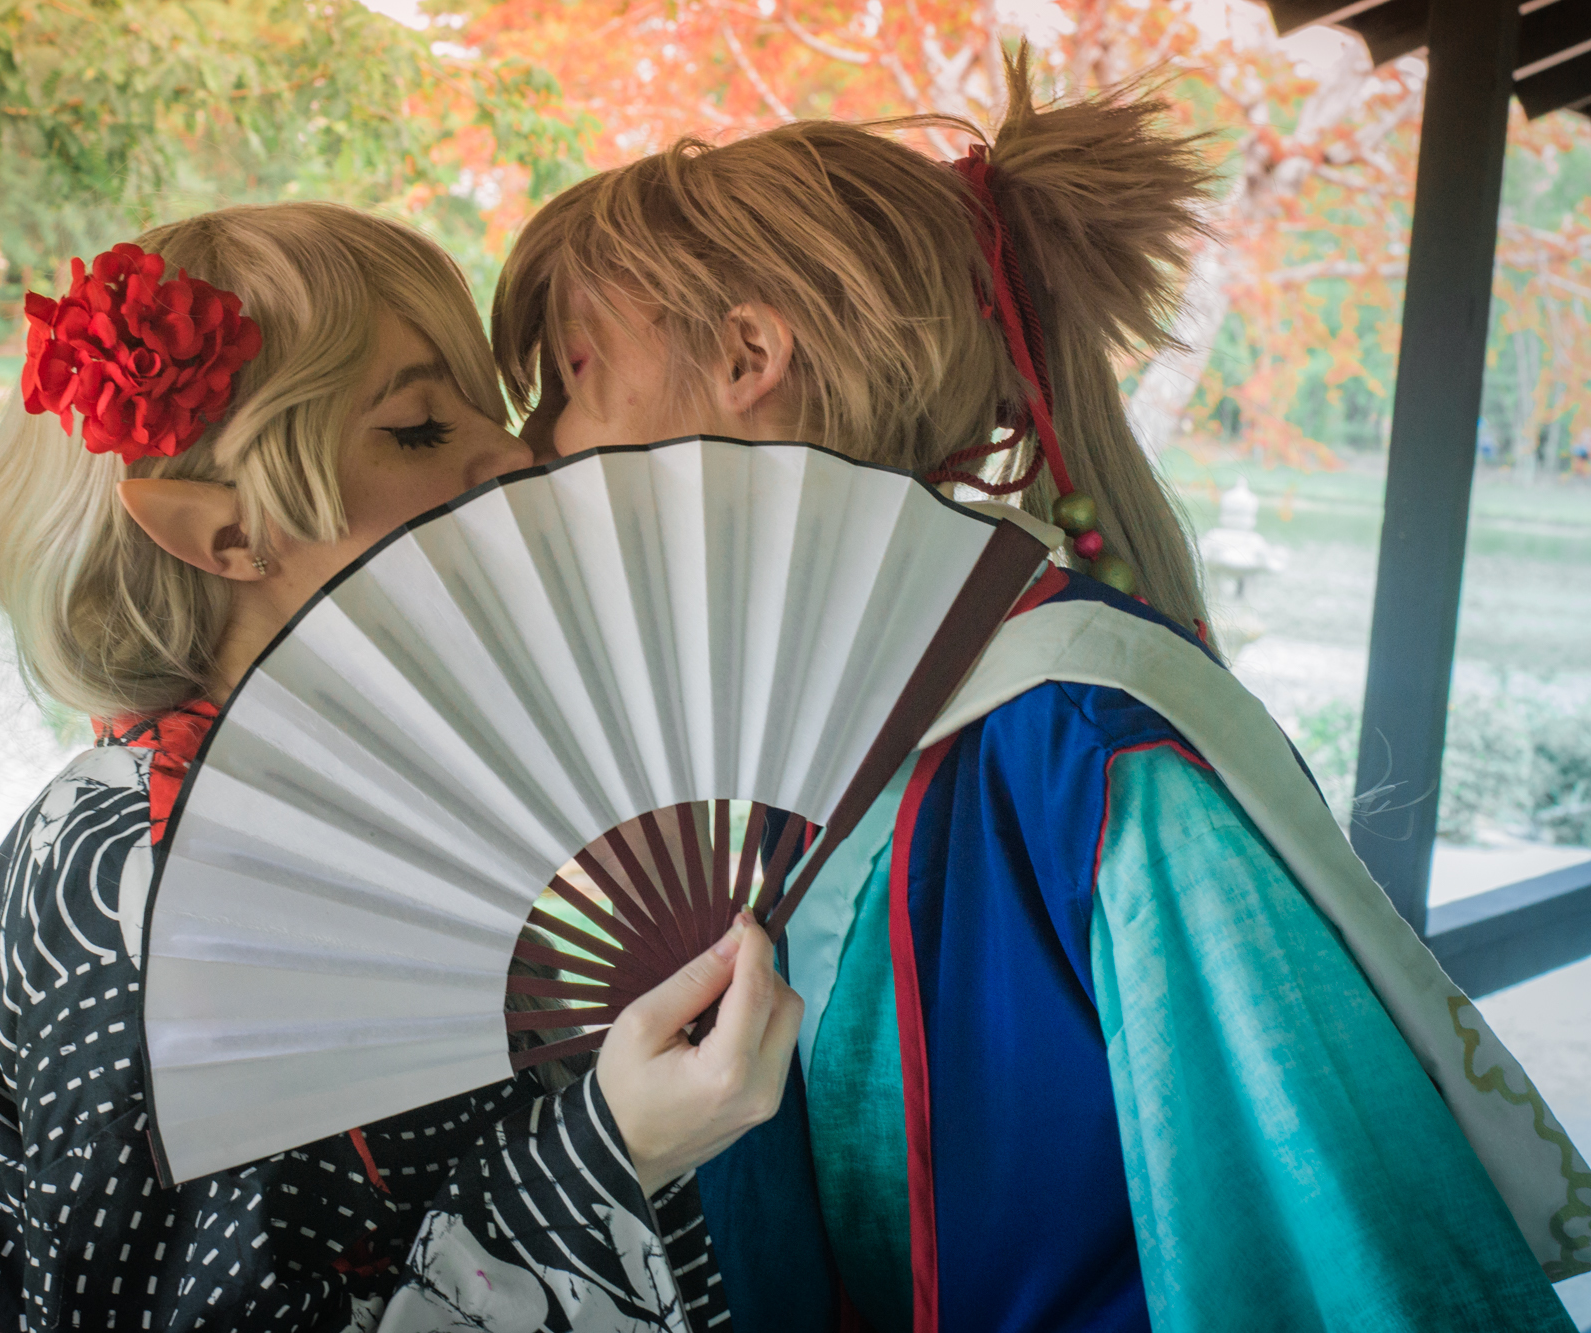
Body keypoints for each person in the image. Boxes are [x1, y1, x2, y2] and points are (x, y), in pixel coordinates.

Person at [492, 52, 1589, 1333]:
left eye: (572, 375)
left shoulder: (1082, 742)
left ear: (747, 354)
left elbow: (1325, 1260)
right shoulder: (782, 723)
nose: (532, 441)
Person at [0, 202, 804, 1333]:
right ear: (226, 533)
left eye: (489, 407)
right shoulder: (156, 893)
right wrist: (610, 1151)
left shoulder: (365, 796)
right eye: (421, 429)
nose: (514, 453)